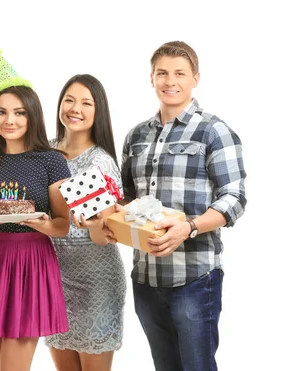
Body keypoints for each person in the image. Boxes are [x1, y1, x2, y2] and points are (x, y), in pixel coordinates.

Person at [112, 41, 247, 371]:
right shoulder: (136, 136)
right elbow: (126, 199)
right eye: (162, 73)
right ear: (151, 78)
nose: (170, 81)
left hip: (195, 278)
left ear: (195, 78)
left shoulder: (213, 131)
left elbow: (235, 198)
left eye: (179, 73)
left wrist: (189, 227)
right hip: (145, 278)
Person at [0, 50, 71, 371]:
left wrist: (40, 223)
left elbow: (63, 225)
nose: (10, 120)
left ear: (32, 115)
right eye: (2, 112)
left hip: (30, 264)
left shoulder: (51, 161)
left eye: (19, 113)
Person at [45, 74, 126, 371]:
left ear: (98, 111)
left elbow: (107, 235)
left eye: (86, 102)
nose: (75, 108)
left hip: (96, 283)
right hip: (53, 279)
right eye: (69, 100)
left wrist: (93, 226)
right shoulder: (45, 152)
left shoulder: (101, 163)